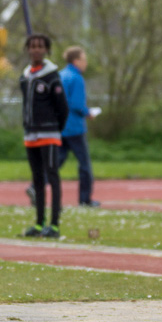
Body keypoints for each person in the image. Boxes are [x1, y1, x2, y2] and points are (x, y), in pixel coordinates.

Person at [21, 33, 68, 238]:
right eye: (32, 46)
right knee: (37, 179)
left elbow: (63, 108)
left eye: (40, 46)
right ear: (28, 50)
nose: (36, 50)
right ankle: (39, 224)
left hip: (49, 133)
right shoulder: (25, 77)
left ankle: (54, 225)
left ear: (47, 50)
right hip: (31, 134)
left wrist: (56, 128)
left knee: (52, 176)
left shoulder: (52, 76)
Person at [58, 46, 99, 207]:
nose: (86, 63)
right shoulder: (76, 78)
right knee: (85, 165)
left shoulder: (60, 75)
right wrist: (88, 112)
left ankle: (35, 187)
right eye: (84, 59)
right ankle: (85, 199)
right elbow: (76, 104)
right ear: (76, 61)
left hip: (60, 126)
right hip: (75, 127)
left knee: (56, 162)